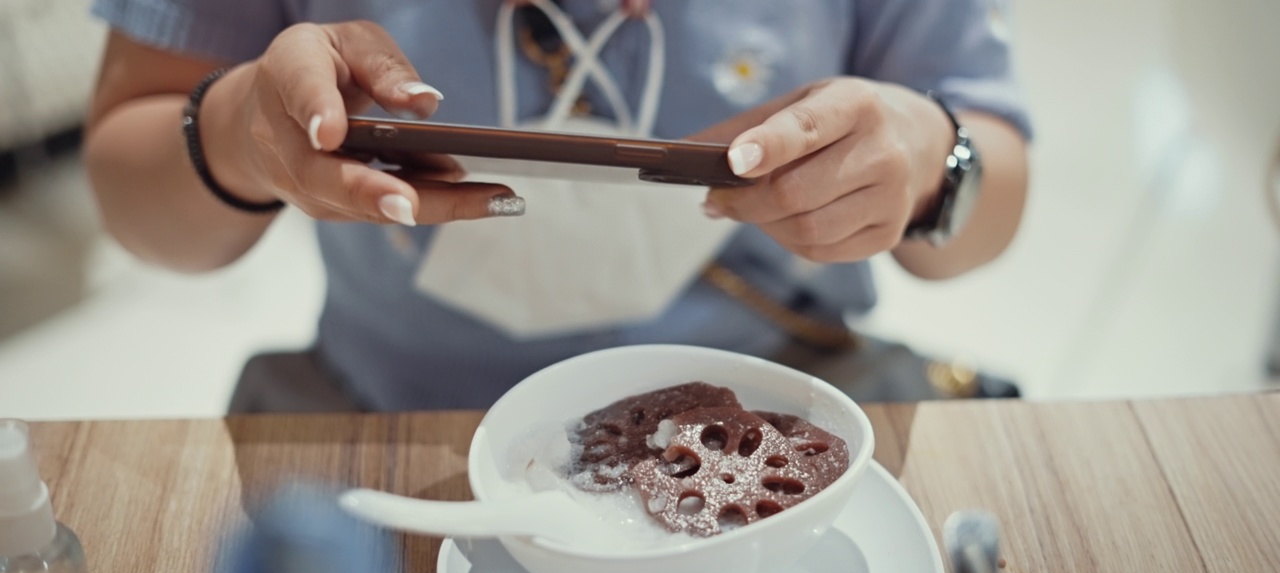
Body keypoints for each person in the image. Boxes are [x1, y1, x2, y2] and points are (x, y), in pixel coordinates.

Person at [85, 0, 1030, 411]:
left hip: (783, 397)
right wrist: (240, 128)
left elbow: (995, 186)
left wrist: (928, 158)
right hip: (395, 411)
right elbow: (132, 188)